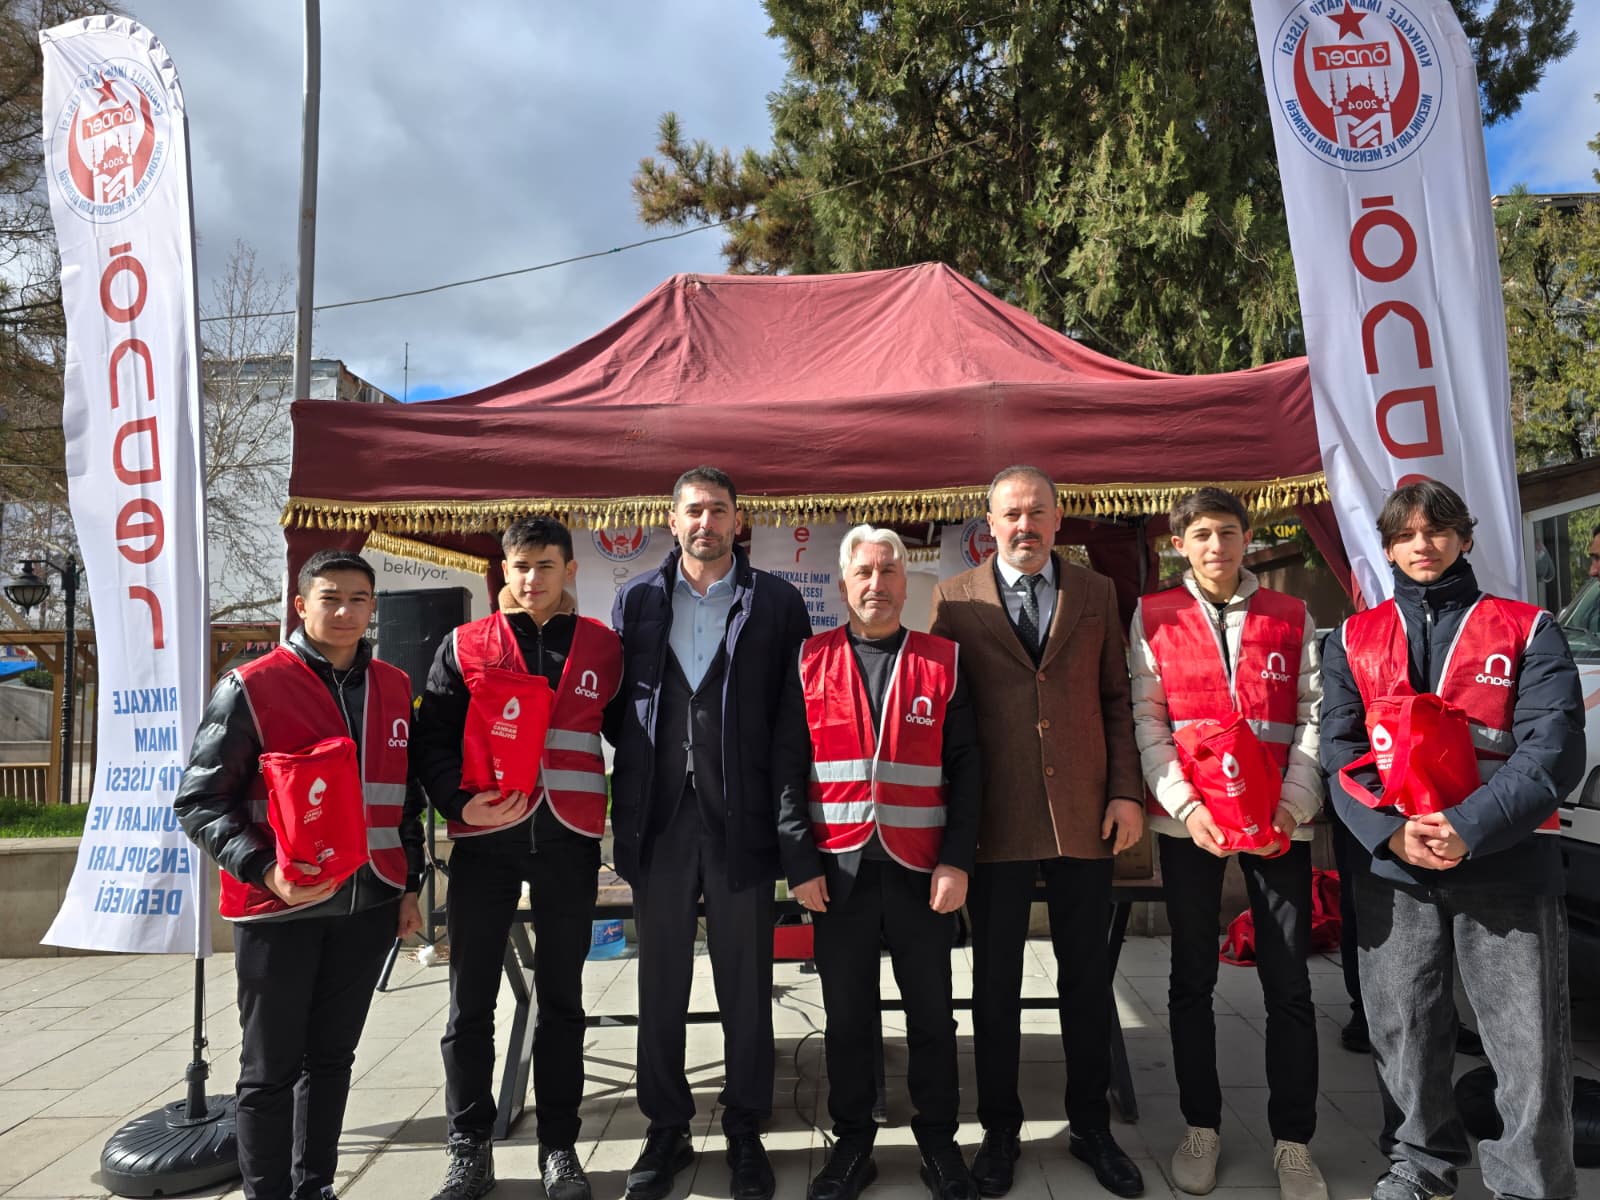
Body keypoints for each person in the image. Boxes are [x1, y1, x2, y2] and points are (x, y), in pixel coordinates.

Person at [1321, 480, 1583, 1200]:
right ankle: (1419, 1167)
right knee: (1403, 1029)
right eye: (1405, 535)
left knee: (1525, 1044)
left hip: (1505, 864)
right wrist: (1392, 833)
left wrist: (1468, 828)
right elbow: (1338, 752)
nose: (1422, 545)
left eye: (1436, 531)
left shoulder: (1530, 630)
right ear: (1387, 548)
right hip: (1397, 868)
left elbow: (1554, 753)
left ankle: (1529, 1185)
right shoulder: (1352, 638)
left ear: (1465, 538)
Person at [174, 549, 425, 1200]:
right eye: (330, 597)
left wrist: (410, 886)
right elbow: (200, 802)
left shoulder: (396, 687)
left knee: (332, 1061)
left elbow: (405, 799)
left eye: (359, 600)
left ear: (374, 608)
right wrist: (265, 871)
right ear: (301, 605)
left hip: (369, 906)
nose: (345, 611)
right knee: (269, 1072)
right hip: (277, 908)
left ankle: (313, 1187)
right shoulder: (251, 685)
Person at [929, 465, 1145, 1199]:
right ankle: (999, 1131)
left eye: (1037, 512)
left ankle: (1091, 1127)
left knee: (1087, 983)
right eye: (1010, 514)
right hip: (995, 821)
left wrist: (1124, 792)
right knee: (995, 988)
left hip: (1086, 817)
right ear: (988, 524)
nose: (1024, 525)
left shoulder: (1096, 593)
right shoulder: (953, 601)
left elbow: (1116, 700)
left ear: (1060, 521)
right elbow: (948, 723)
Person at [606, 465, 812, 1200]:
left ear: (738, 519)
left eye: (717, 510)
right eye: (693, 510)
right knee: (661, 984)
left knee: (747, 986)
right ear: (672, 520)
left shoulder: (778, 603)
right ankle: (665, 1130)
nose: (705, 522)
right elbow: (614, 710)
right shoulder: (635, 601)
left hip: (743, 824)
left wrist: (792, 828)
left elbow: (793, 723)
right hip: (659, 824)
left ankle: (746, 1128)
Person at [411, 516, 621, 1200]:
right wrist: (456, 803)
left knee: (562, 1001)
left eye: (546, 565)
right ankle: (468, 1146)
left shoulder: (603, 648)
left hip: (568, 841)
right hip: (484, 843)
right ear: (503, 569)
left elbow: (639, 738)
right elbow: (430, 739)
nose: (531, 579)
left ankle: (560, 1148)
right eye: (520, 565)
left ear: (570, 571)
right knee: (469, 1001)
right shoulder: (465, 645)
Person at [774, 525, 984, 1200]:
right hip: (837, 874)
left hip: (923, 872)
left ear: (905, 581)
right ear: (842, 585)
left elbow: (968, 771)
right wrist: (799, 862)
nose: (876, 584)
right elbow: (785, 771)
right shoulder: (808, 661)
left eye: (888, 571)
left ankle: (941, 1144)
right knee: (846, 1018)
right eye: (863, 572)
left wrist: (957, 862)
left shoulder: (942, 661)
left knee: (932, 1018)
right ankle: (852, 1144)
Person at [1128, 488, 1326, 1200]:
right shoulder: (1154, 615)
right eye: (1203, 534)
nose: (1218, 546)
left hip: (1280, 823)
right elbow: (1148, 721)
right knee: (1190, 981)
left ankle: (1294, 1142)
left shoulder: (1291, 615)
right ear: (1181, 542)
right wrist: (1184, 806)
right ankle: (1200, 1127)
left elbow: (1313, 714)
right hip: (1192, 825)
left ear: (1248, 538)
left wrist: (1294, 804)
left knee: (1290, 986)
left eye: (1230, 533)